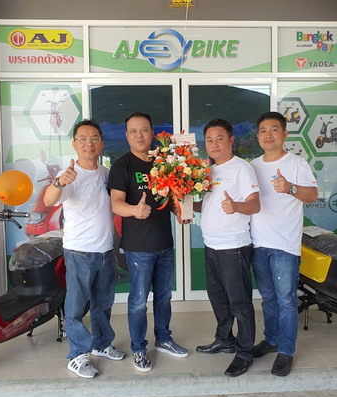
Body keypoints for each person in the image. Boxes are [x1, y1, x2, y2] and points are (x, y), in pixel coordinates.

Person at [107, 111, 189, 373]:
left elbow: (172, 196)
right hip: (138, 247)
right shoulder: (122, 166)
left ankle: (163, 339)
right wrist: (135, 210)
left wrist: (180, 211)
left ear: (152, 133)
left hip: (164, 243)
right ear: (126, 135)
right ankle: (139, 348)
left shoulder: (163, 162)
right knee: (139, 301)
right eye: (133, 131)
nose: (139, 135)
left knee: (164, 296)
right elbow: (116, 204)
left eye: (144, 130)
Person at [44, 119, 125, 379]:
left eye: (94, 138)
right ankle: (77, 355)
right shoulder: (69, 174)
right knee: (76, 307)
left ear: (101, 144)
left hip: (105, 250)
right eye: (82, 138)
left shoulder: (105, 173)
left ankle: (101, 344)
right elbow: (49, 200)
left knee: (103, 303)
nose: (88, 143)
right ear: (74, 143)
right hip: (79, 251)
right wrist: (59, 183)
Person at [250, 111, 318, 376]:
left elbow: (312, 195)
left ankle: (286, 351)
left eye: (274, 130)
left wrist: (289, 187)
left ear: (284, 134)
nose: (268, 135)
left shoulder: (297, 164)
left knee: (286, 301)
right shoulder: (252, 166)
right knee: (268, 298)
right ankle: (272, 339)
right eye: (263, 130)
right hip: (258, 244)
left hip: (285, 246)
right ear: (258, 136)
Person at [196, 118, 261, 377]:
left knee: (240, 304)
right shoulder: (210, 171)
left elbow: (255, 204)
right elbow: (210, 205)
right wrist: (183, 207)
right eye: (209, 140)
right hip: (211, 245)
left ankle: (244, 352)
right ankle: (224, 339)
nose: (214, 144)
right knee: (218, 299)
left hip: (233, 247)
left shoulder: (241, 168)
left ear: (231, 140)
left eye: (220, 138)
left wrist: (236, 206)